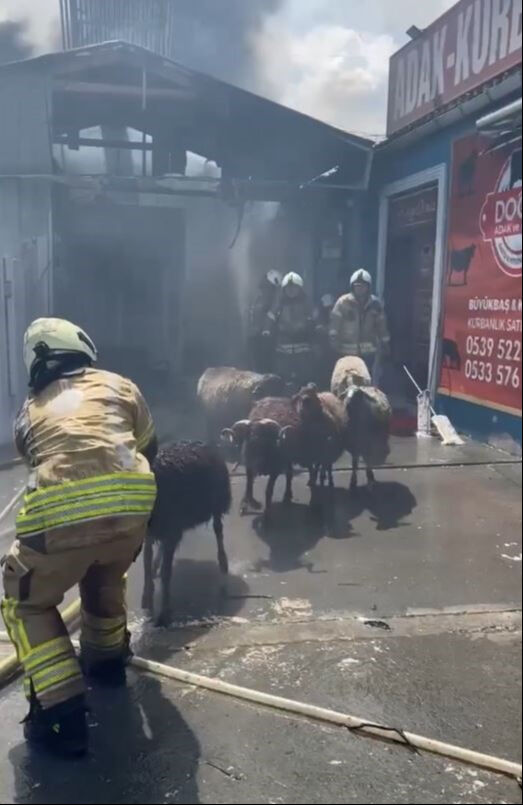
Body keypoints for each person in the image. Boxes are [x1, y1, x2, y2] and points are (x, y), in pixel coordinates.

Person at [1, 318, 158, 758]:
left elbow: (35, 456)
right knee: (104, 573)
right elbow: (150, 447)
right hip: (130, 518)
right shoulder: (120, 386)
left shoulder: (29, 411)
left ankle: (61, 718)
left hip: (58, 525)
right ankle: (105, 664)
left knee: (25, 601)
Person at [329, 269, 391, 379]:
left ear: (368, 287)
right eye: (357, 286)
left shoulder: (375, 304)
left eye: (363, 286)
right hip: (346, 353)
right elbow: (334, 325)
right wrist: (334, 342)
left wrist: (385, 343)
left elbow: (382, 326)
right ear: (352, 286)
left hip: (368, 354)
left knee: (366, 381)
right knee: (346, 380)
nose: (360, 289)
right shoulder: (343, 303)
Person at [264, 272, 316, 390]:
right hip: (283, 347)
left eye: (294, 288)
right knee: (283, 377)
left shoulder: (306, 302)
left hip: (303, 346)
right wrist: (266, 330)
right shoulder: (279, 303)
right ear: (284, 289)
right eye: (288, 288)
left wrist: (318, 327)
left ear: (300, 289)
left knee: (304, 377)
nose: (291, 290)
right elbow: (271, 317)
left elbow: (315, 317)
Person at [247, 270, 282, 372]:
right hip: (257, 340)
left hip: (265, 340)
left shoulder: (268, 300)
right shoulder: (261, 300)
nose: (264, 288)